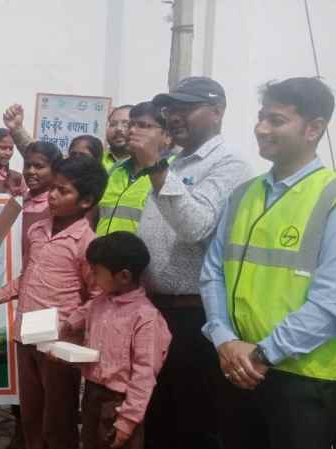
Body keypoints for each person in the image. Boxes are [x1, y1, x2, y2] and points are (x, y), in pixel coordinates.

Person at [201, 77, 336, 449]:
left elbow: (329, 301)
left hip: (303, 378)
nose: (261, 128)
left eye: (276, 120)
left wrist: (263, 353)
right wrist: (224, 339)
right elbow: (213, 272)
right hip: (236, 368)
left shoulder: (330, 197)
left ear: (313, 129)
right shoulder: (243, 194)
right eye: (261, 117)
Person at [0, 156, 106, 449]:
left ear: (86, 201)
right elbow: (25, 279)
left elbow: (98, 298)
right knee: (30, 416)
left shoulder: (86, 243)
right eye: (53, 188)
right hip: (25, 336)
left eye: (63, 191)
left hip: (58, 347)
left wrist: (68, 327)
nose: (52, 195)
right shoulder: (36, 230)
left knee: (58, 420)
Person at [139, 77, 252, 449]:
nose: (174, 116)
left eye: (186, 108)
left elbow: (195, 226)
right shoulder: (175, 162)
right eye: (171, 108)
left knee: (192, 425)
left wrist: (156, 168)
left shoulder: (230, 164)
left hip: (194, 317)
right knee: (158, 421)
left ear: (217, 111)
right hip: (157, 311)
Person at [67, 232, 171, 449]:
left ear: (123, 276)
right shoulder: (99, 303)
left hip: (119, 403)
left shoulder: (145, 317)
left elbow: (144, 374)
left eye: (96, 272)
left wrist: (127, 421)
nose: (91, 277)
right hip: (92, 395)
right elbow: (76, 319)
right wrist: (61, 337)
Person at [95, 102, 173, 236]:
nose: (130, 131)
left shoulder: (174, 170)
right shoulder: (116, 169)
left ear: (167, 136)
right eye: (131, 125)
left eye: (142, 126)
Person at [4, 104, 133, 171]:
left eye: (126, 124)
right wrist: (17, 130)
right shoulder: (92, 159)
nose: (119, 129)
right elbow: (44, 159)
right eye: (113, 124)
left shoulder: (144, 168)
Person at [0, 128, 26, 195]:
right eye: (3, 148)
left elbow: (25, 200)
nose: (8, 153)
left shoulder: (18, 178)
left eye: (11, 148)